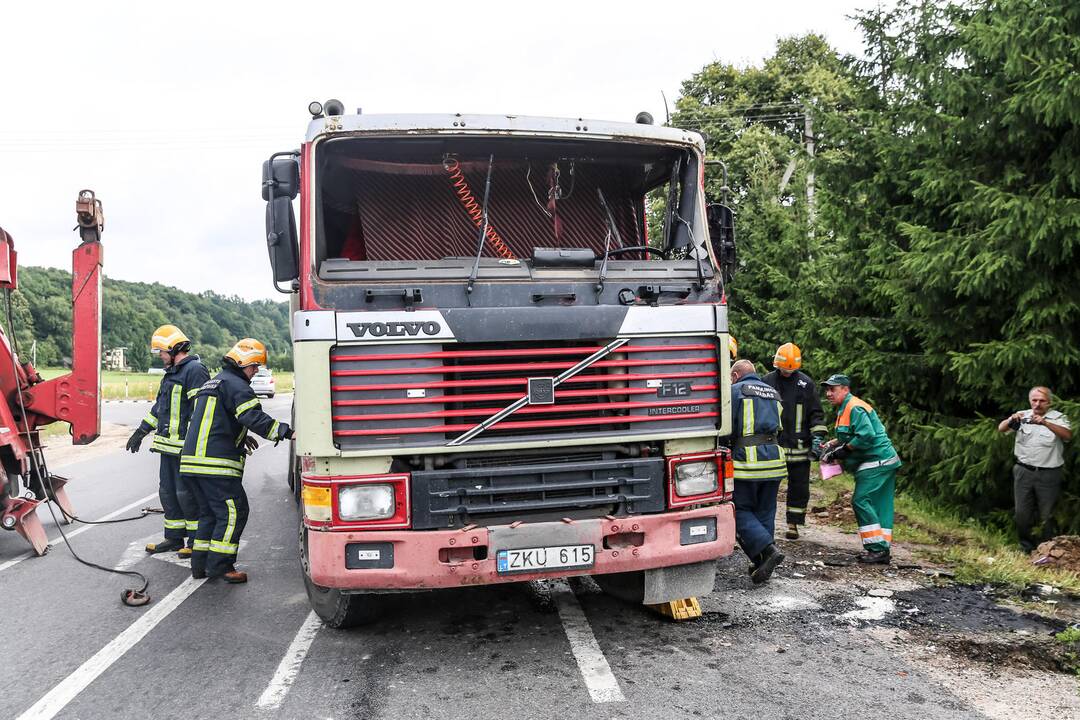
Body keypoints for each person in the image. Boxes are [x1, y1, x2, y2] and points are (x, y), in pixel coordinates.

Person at [180, 338, 292, 583]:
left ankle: (199, 566)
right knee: (234, 511)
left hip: (191, 463)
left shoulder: (214, 382)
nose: (254, 373)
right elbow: (252, 416)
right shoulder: (237, 386)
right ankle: (221, 566)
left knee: (208, 514)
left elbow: (217, 421)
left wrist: (241, 438)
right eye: (254, 367)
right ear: (244, 363)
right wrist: (286, 431)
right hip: (215, 465)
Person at [126, 325, 210, 556]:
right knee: (168, 494)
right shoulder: (171, 374)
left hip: (186, 449)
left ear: (174, 349)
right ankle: (173, 539)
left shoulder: (195, 371)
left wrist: (194, 446)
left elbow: (201, 411)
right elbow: (159, 409)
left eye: (162, 352)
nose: (161, 356)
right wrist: (140, 432)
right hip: (167, 448)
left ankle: (195, 542)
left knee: (188, 495)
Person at [819, 374, 901, 564]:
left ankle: (877, 549)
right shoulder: (845, 408)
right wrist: (832, 445)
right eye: (827, 389)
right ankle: (882, 549)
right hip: (883, 460)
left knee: (861, 500)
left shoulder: (854, 407)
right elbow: (848, 435)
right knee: (880, 504)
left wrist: (843, 451)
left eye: (833, 389)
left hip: (877, 461)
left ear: (845, 389)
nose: (828, 393)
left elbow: (866, 435)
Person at [729, 358, 788, 584]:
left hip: (747, 462)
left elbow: (727, 427)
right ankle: (762, 560)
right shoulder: (773, 393)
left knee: (739, 509)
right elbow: (781, 426)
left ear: (735, 376)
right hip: (774, 462)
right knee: (765, 509)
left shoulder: (735, 391)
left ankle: (766, 550)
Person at [763, 343, 828, 540]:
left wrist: (817, 438)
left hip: (800, 448)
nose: (787, 373)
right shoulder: (767, 382)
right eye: (784, 370)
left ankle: (794, 524)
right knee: (768, 486)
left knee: (799, 488)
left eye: (790, 370)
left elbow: (816, 413)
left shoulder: (805, 384)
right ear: (777, 365)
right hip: (775, 446)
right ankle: (766, 524)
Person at [997, 386, 1072, 552]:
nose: (1037, 404)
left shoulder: (1058, 418)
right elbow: (1002, 429)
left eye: (1042, 401)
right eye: (1034, 400)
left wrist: (1045, 423)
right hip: (1023, 472)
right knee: (1022, 514)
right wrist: (1011, 420)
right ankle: (1026, 549)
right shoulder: (1022, 415)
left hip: (1049, 474)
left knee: (1047, 515)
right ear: (1030, 401)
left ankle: (1047, 551)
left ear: (1049, 402)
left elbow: (1067, 435)